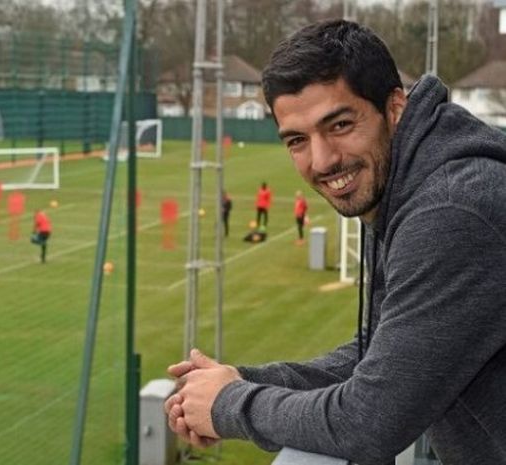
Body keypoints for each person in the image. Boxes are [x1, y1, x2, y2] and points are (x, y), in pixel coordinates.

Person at [164, 19, 506, 465]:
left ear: (395, 106)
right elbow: (379, 355)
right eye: (297, 141)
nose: (322, 160)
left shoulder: (450, 211)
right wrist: (237, 382)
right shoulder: (407, 181)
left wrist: (230, 406)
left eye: (340, 124)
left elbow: (368, 423)